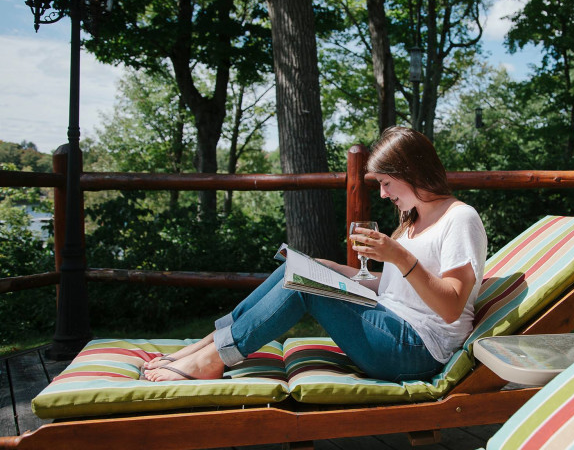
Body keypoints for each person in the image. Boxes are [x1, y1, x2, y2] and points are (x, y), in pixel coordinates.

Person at [144, 126, 487, 383]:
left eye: (385, 182)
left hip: (416, 350)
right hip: (390, 323)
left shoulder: (460, 218)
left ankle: (213, 358)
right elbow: (397, 289)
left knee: (305, 286)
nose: (382, 194)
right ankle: (205, 347)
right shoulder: (412, 219)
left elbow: (451, 305)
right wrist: (334, 268)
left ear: (410, 171)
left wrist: (398, 256)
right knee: (298, 270)